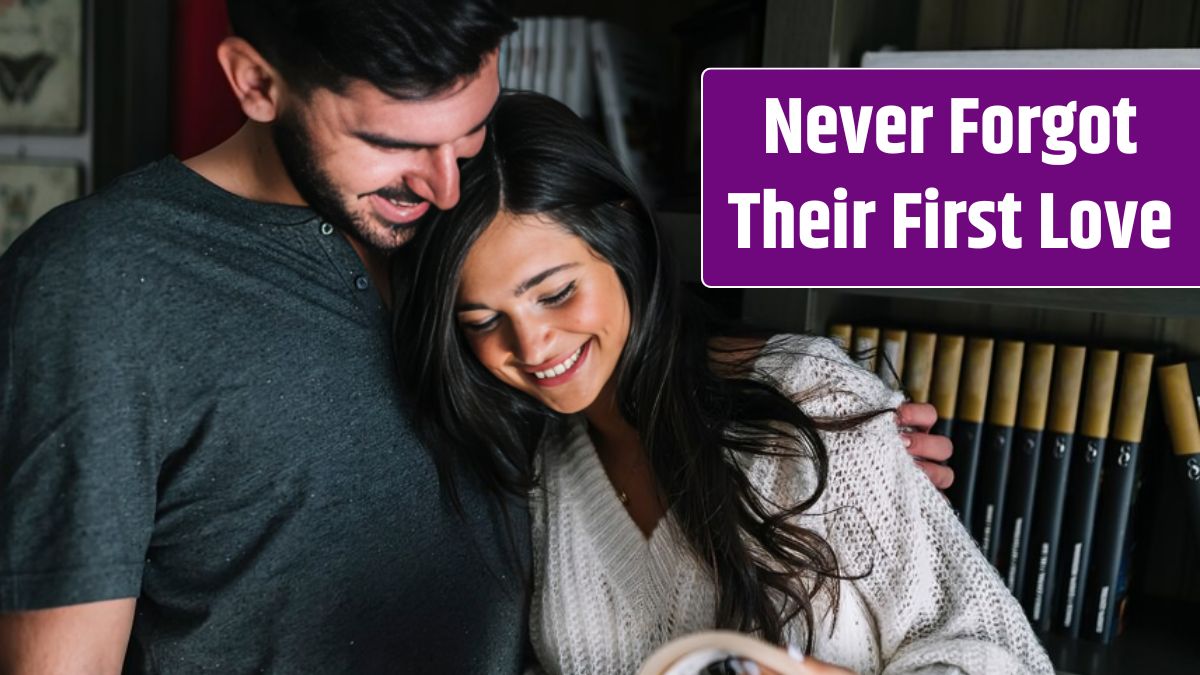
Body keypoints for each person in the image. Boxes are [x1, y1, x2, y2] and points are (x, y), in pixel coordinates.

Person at [0, 2, 949, 672]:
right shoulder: (98, 284)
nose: (445, 187)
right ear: (255, 82)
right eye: (394, 142)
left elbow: (586, 348)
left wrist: (816, 423)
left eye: (468, 133)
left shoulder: (447, 226)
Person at [392, 92, 1053, 674]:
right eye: (484, 321)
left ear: (621, 229)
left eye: (557, 292)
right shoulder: (541, 464)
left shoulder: (805, 398)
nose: (531, 346)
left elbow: (1003, 656)